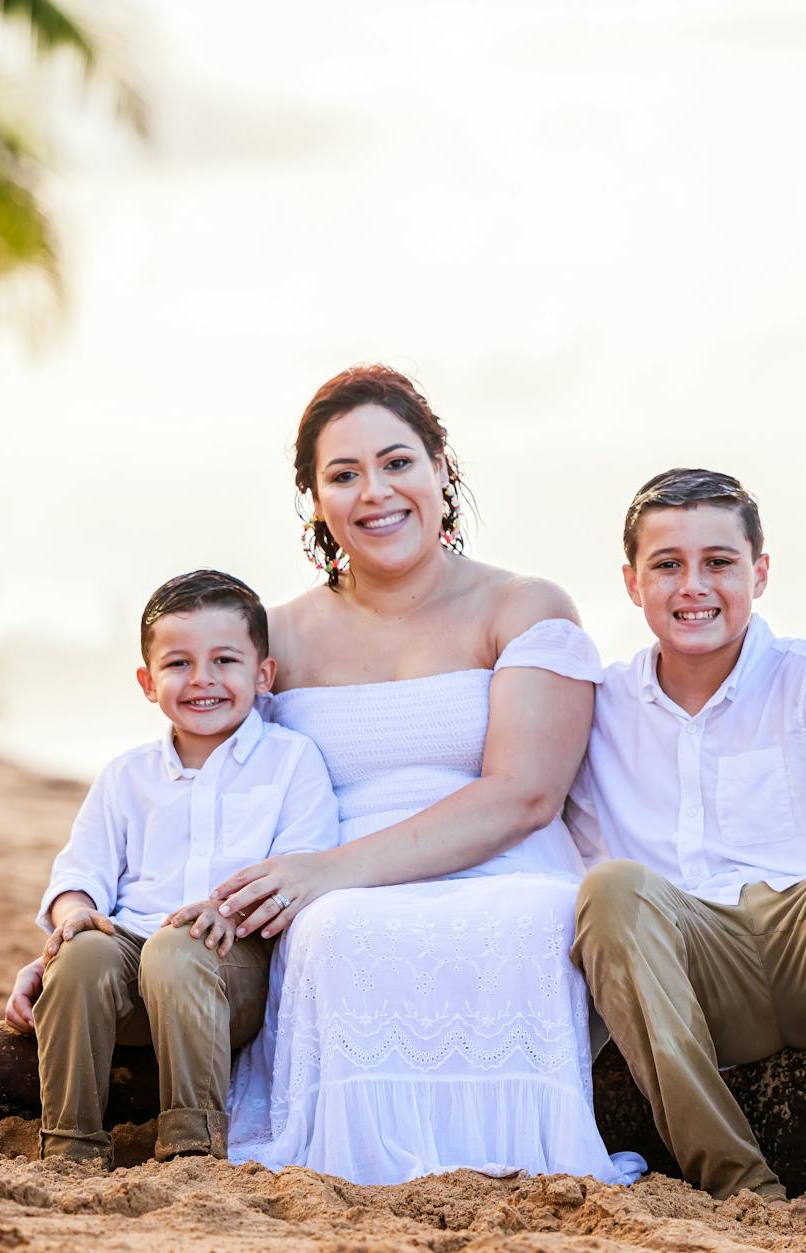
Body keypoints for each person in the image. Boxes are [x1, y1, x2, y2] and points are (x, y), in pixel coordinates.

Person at [205, 365, 641, 1185]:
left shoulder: (521, 605)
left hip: (503, 867)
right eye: (343, 474)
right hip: (332, 890)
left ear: (442, 467)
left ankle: (521, 1154)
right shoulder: (279, 638)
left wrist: (329, 872)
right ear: (316, 500)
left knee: (525, 919)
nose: (376, 492)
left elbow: (526, 794)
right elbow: (218, 789)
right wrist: (101, 917)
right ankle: (360, 1164)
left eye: (397, 462)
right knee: (335, 932)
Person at [565, 468, 806, 1222]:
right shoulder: (602, 706)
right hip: (694, 981)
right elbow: (524, 812)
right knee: (609, 890)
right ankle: (741, 1189)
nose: (694, 587)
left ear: (760, 571)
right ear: (631, 581)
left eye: (719, 561)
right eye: (667, 564)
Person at [4, 569, 339, 1168]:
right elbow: (79, 873)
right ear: (147, 681)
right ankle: (70, 1145)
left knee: (176, 949)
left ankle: (191, 1144)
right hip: (130, 962)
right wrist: (75, 916)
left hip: (229, 965)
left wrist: (226, 909)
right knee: (82, 955)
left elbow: (301, 870)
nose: (202, 679)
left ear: (263, 676)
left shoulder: (291, 762)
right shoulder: (126, 776)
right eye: (178, 663)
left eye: (225, 661)